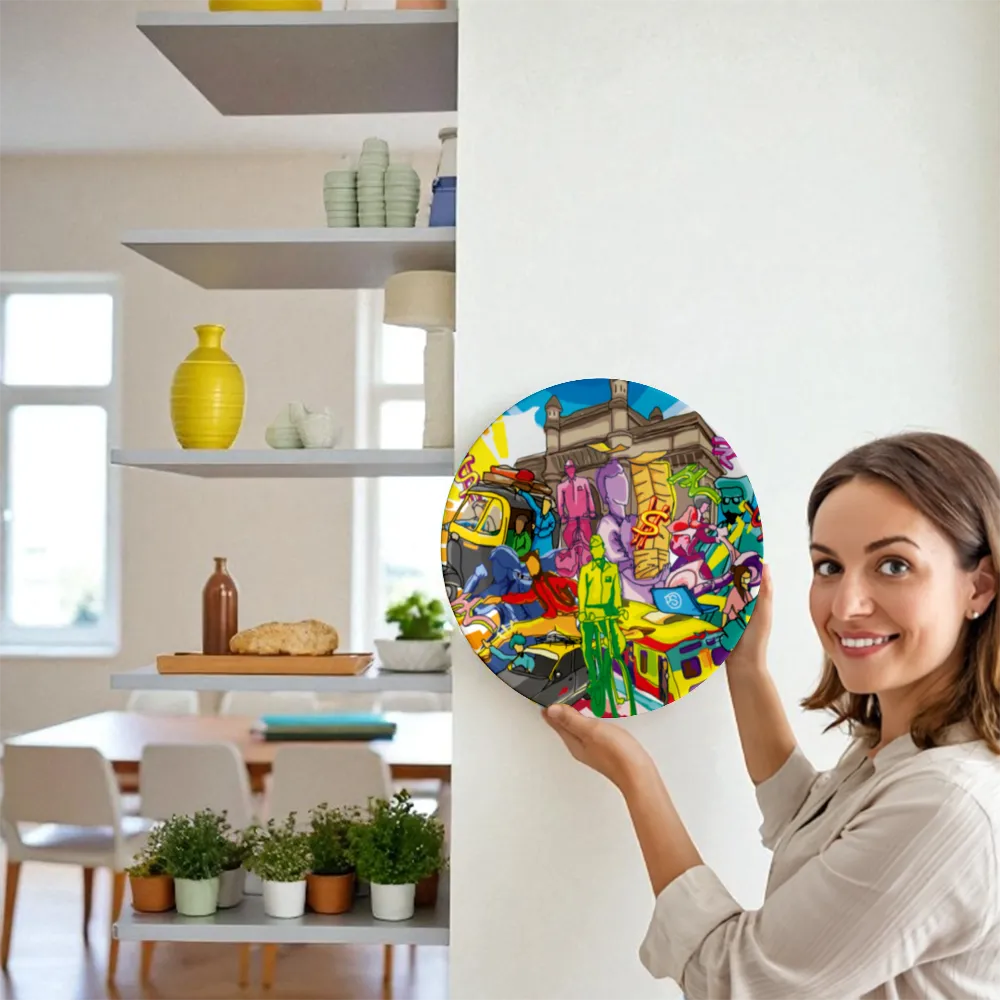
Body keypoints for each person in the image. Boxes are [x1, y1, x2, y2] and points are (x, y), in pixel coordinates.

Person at [544, 432, 1000, 998]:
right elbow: (810, 823)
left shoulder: (948, 806)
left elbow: (737, 978)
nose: (846, 605)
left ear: (978, 587)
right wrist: (747, 666)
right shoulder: (905, 745)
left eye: (893, 565)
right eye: (828, 566)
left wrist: (636, 778)